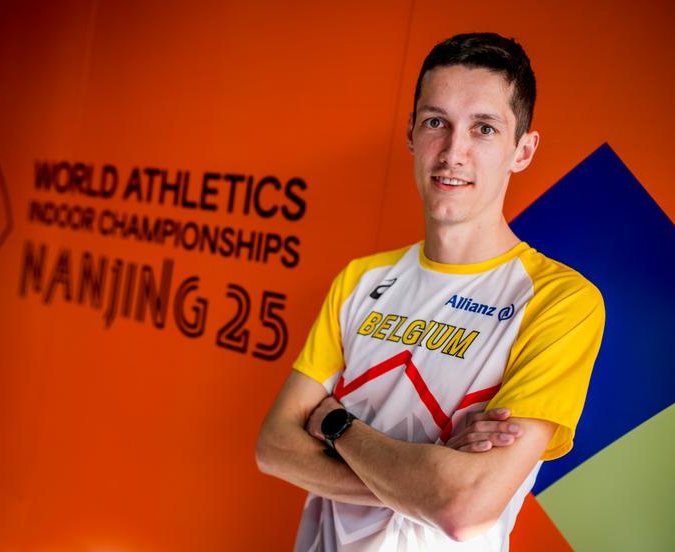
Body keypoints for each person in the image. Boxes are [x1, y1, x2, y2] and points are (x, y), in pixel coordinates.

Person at [255, 32, 605, 551]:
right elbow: (273, 446)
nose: (453, 152)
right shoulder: (361, 280)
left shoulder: (559, 302)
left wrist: (334, 422)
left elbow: (465, 508)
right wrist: (426, 482)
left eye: (484, 128)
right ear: (412, 134)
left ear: (522, 150)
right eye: (436, 122)